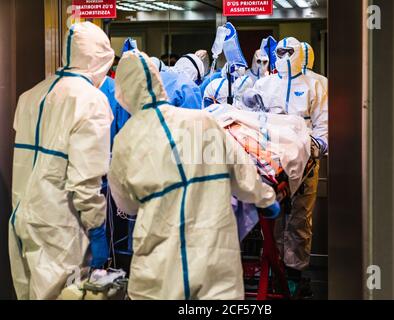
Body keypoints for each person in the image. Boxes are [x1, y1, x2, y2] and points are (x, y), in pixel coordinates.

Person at [108, 50, 279, 300]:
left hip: (158, 267)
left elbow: (127, 205)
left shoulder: (125, 140)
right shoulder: (203, 122)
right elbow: (242, 173)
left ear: (121, 94)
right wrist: (265, 199)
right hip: (213, 256)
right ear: (160, 83)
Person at [9, 22, 114, 300]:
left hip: (22, 217)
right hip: (60, 227)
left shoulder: (30, 96)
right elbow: (85, 180)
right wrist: (96, 228)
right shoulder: (91, 101)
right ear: (100, 60)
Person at [254, 37, 328, 297]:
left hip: (305, 162)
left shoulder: (316, 84)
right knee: (272, 217)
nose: (283, 56)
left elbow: (324, 124)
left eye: (289, 51)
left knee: (299, 219)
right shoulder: (265, 84)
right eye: (279, 51)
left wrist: (315, 149)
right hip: (271, 162)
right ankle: (276, 271)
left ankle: (295, 274)